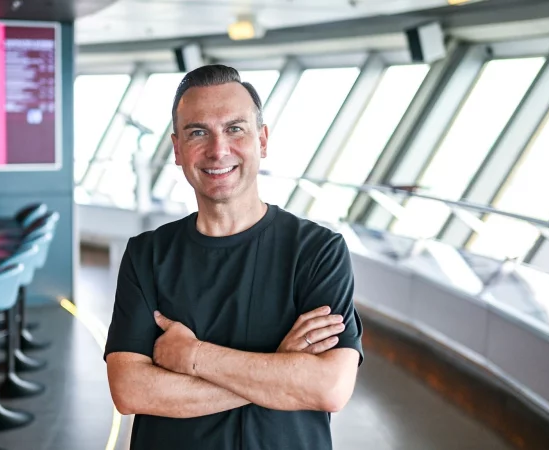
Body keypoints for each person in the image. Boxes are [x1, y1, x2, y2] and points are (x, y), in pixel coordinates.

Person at [104, 64, 364, 450]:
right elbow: (130, 391)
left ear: (262, 140)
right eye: (198, 132)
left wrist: (193, 357)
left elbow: (329, 387)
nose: (218, 149)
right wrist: (277, 368)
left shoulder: (318, 251)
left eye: (235, 129)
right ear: (177, 150)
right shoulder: (147, 255)